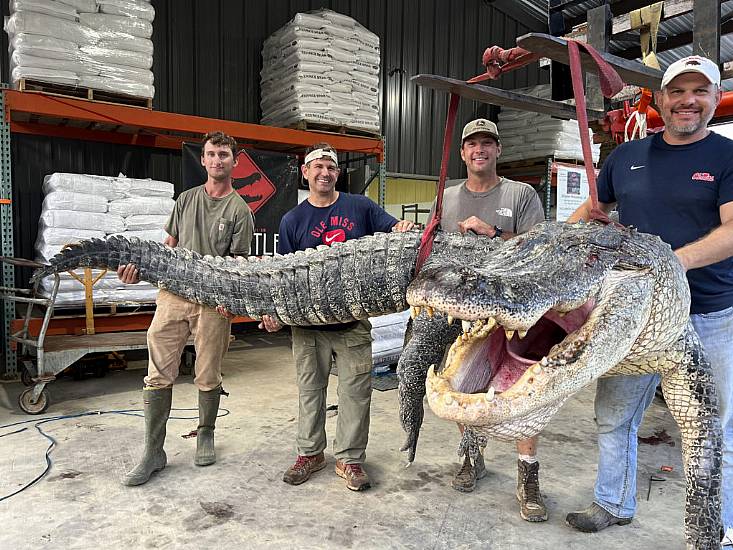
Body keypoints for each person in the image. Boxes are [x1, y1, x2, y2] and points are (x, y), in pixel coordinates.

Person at [564, 55, 733, 538]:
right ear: (661, 99)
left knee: (714, 428)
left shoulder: (726, 158)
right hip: (633, 315)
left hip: (708, 311)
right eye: (678, 92)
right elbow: (593, 210)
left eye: (699, 91)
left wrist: (671, 262)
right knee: (613, 415)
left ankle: (720, 530)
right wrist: (550, 247)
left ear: (714, 99)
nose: (688, 101)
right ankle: (612, 502)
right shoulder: (626, 156)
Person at [259, 142, 414, 491]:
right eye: (318, 167)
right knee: (310, 391)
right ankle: (310, 454)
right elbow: (283, 275)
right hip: (307, 326)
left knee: (356, 392)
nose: (325, 172)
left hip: (351, 323)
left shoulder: (360, 206)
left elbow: (393, 229)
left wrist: (402, 227)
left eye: (330, 166)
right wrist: (275, 313)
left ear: (337, 173)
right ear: (305, 173)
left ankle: (350, 459)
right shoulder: (292, 220)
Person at [118, 131, 254, 486]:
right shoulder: (186, 199)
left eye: (224, 154)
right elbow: (168, 247)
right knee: (157, 373)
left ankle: (206, 432)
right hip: (173, 296)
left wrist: (230, 302)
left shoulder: (240, 210)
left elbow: (239, 263)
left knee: (208, 373)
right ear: (204, 160)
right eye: (211, 154)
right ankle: (153, 451)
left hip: (212, 303)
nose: (217, 160)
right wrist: (139, 273)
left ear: (234, 162)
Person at [430, 118, 548, 521]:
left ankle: (528, 476)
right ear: (462, 152)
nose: (479, 150)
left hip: (512, 314)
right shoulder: (445, 197)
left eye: (487, 143)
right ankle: (471, 457)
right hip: (464, 312)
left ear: (498, 150)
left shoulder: (520, 194)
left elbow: (540, 249)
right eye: (472, 144)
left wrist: (494, 233)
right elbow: (434, 249)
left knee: (522, 389)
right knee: (463, 384)